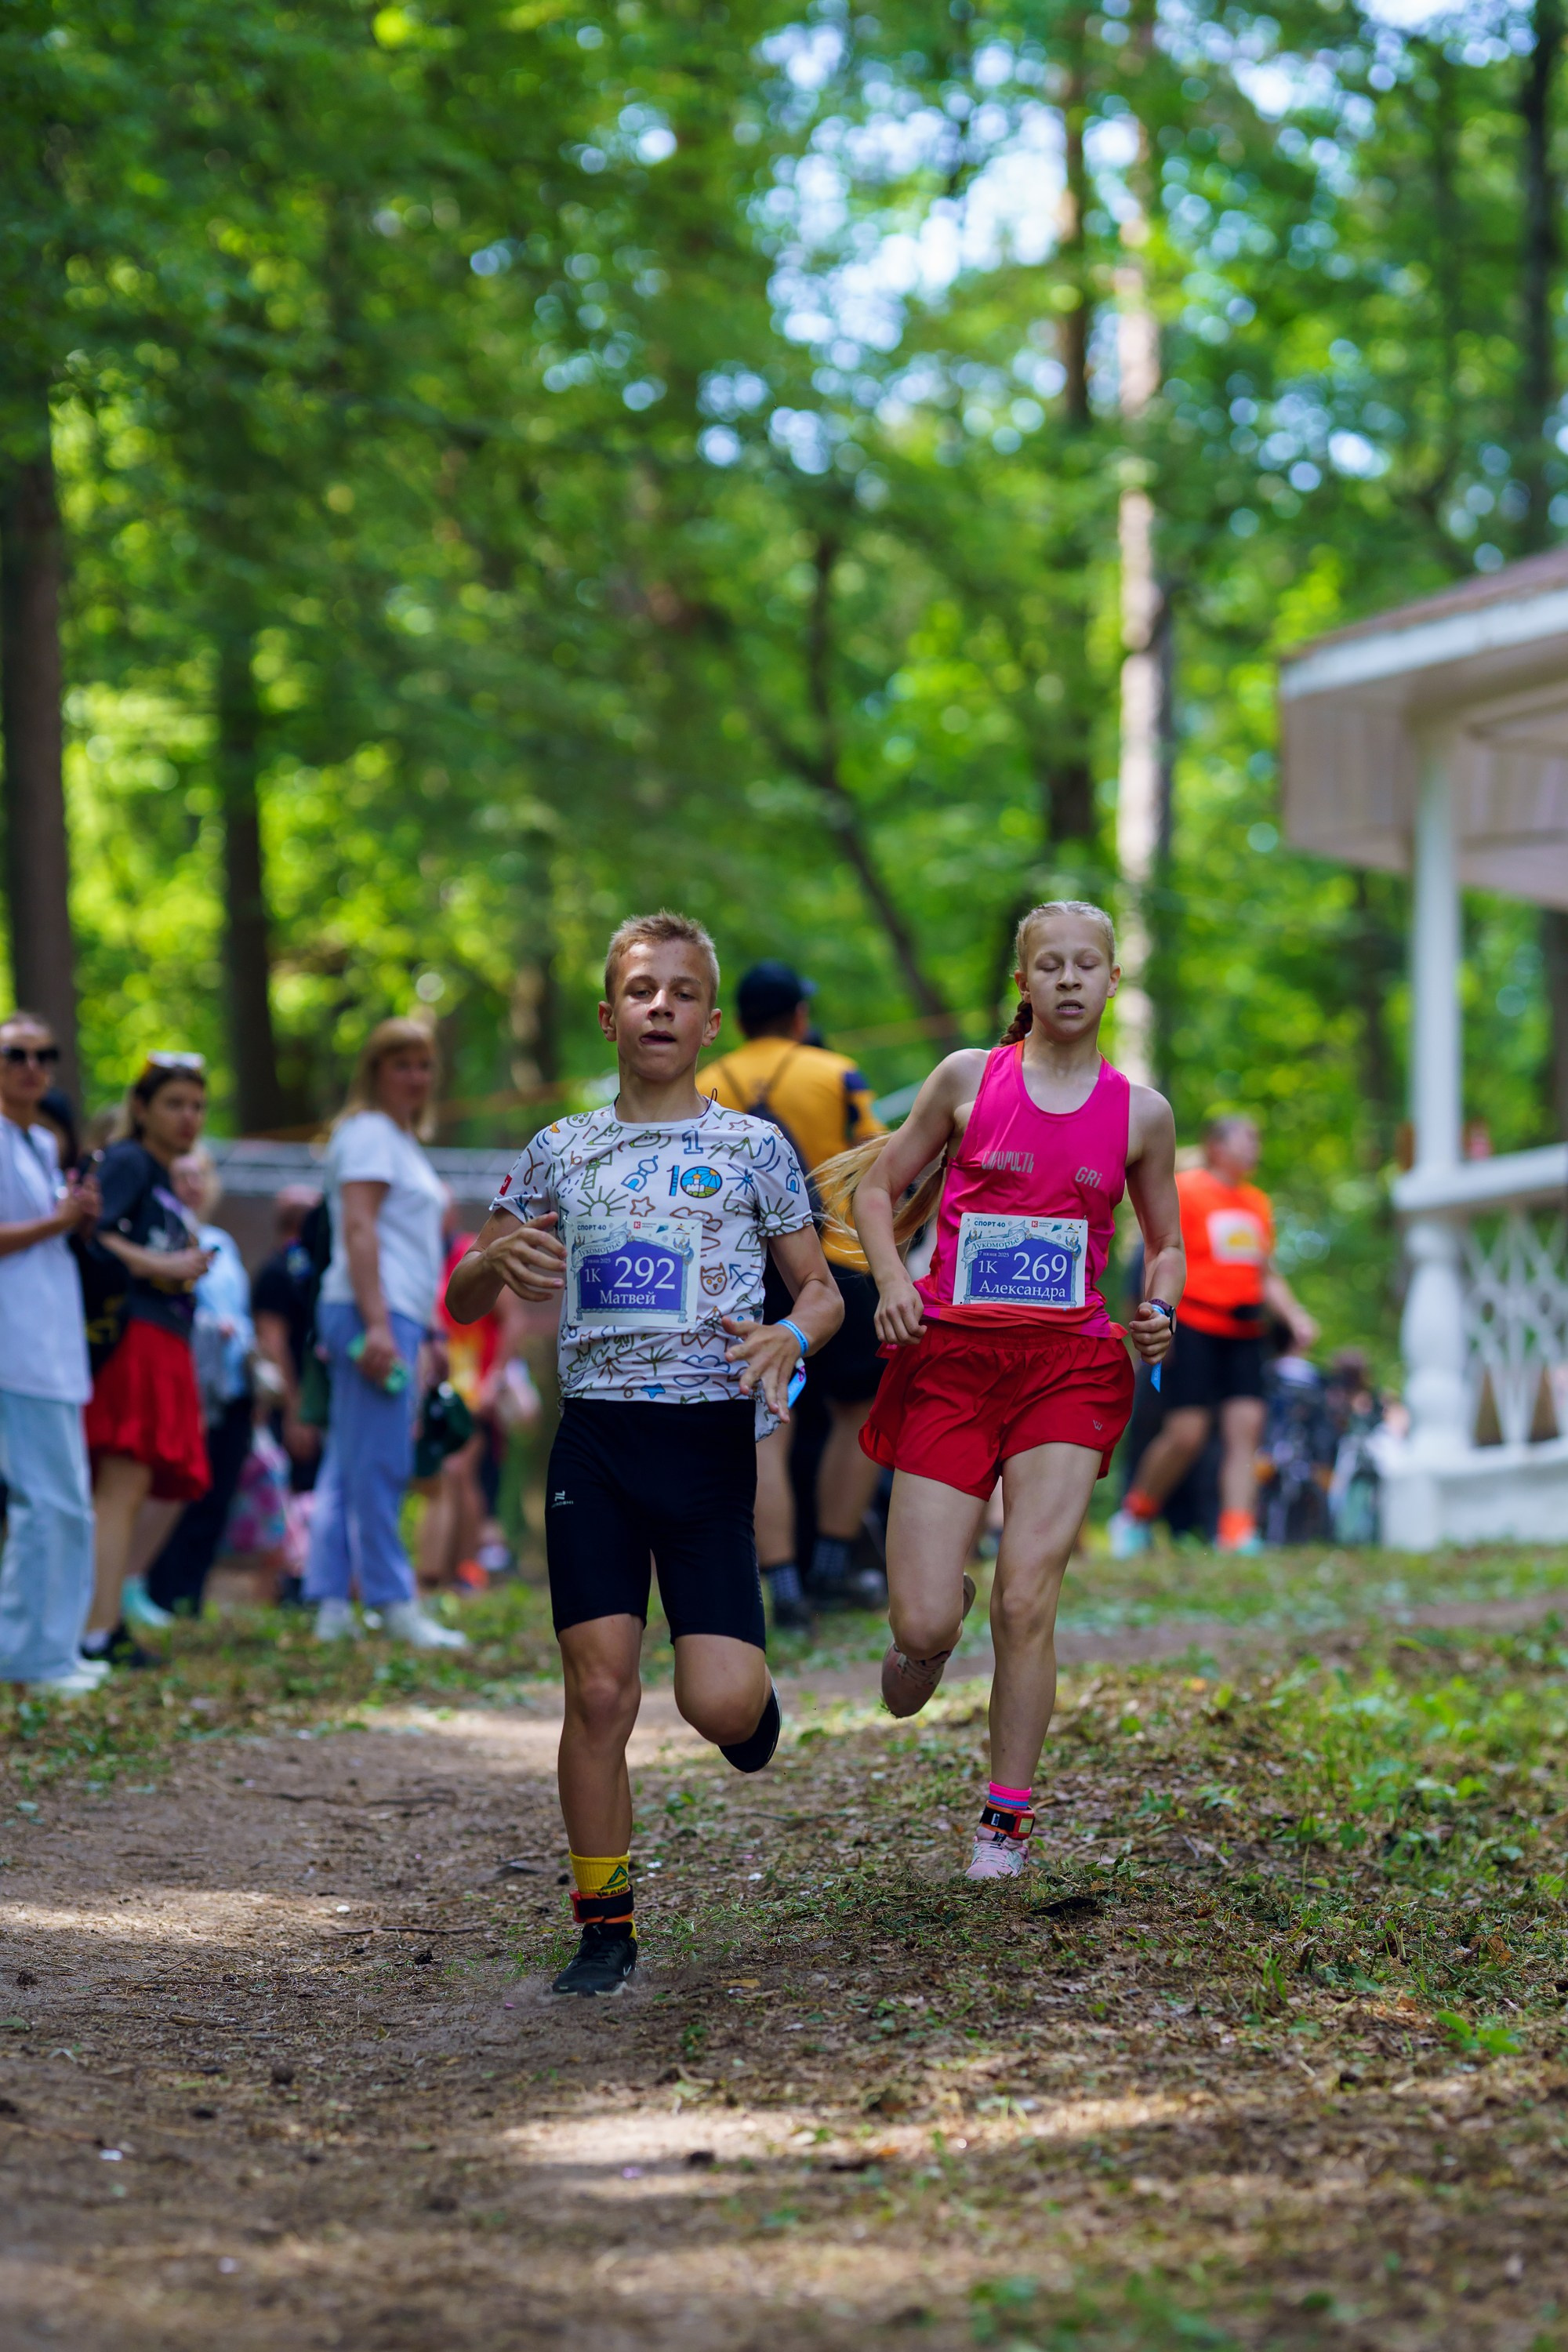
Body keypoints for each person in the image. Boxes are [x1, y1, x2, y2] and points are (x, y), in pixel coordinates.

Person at [446, 910, 844, 1997]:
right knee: (602, 1691)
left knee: (714, 1704)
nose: (659, 1005)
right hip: (599, 1441)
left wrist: (792, 1335)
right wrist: (496, 1259)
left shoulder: (754, 1147)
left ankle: (750, 1707)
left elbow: (821, 1289)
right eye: (640, 989)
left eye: (680, 991)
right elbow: (465, 1286)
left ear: (711, 1020)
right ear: (610, 1015)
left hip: (710, 1443)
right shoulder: (561, 1150)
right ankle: (604, 1926)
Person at [824, 901, 1182, 1881]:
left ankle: (1004, 1825)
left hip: (1065, 1370)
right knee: (921, 1628)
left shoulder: (1139, 1114)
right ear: (1022, 984)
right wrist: (893, 1283)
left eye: (1087, 966)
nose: (1068, 980)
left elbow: (1168, 1246)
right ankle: (929, 1629)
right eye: (1049, 966)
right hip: (949, 1363)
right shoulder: (966, 1081)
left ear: (1112, 982)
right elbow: (872, 1189)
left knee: (1027, 1602)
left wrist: (1158, 1311)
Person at [704, 959, 887, 1626]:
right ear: (799, 1016)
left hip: (744, 1275)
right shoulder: (835, 1072)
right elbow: (876, 1163)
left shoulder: (705, 1081)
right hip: (834, 1263)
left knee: (766, 1427)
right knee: (858, 1413)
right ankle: (834, 1564)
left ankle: (780, 1585)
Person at [303, 1017, 465, 1650]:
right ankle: (394, 1602)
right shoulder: (369, 1134)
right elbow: (360, 1230)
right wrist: (379, 1326)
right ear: (373, 1072)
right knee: (380, 1460)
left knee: (349, 1460)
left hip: (390, 1312)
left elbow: (407, 1246)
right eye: (401, 1064)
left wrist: (425, 1331)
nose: (416, 1076)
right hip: (370, 1311)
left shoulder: (398, 1139)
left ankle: (329, 1604)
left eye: (424, 1064)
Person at [1109, 1114, 1317, 1558]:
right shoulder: (1188, 1190)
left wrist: (1296, 1316)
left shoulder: (1257, 1204)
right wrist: (1158, 1315)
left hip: (1244, 1332)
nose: (1255, 1146)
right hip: (1194, 1327)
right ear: (1216, 1146)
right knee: (1187, 1433)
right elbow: (1159, 1250)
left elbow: (1265, 1274)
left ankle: (1238, 1530)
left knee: (1247, 1430)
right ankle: (1135, 1516)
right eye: (1247, 1136)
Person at [82, 1054, 214, 1667]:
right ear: (140, 1109)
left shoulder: (162, 1176)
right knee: (119, 1486)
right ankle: (96, 1630)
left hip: (161, 1337)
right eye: (173, 1104)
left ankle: (102, 1622)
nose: (187, 1118)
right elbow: (91, 1232)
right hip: (133, 1336)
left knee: (129, 1489)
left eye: (196, 1106)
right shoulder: (131, 1160)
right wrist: (164, 1266)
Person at [0, 1012, 103, 1694]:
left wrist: (74, 1219)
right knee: (45, 1503)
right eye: (16, 1055)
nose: (33, 1066)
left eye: (45, 1054)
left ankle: (56, 1649)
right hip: (16, 1343)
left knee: (69, 1504)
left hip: (54, 1342)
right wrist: (57, 1221)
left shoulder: (38, 1139)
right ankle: (28, 1655)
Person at [131, 1148, 256, 1624]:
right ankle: (149, 1590)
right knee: (168, 1488)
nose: (193, 1184)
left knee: (213, 1492)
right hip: (179, 1380)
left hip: (228, 1388)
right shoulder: (158, 1238)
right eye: (182, 1175)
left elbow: (239, 1315)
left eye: (200, 1174)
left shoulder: (223, 1243)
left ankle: (188, 1597)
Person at [422, 1196, 534, 1592]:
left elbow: (514, 1321)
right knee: (445, 1477)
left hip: (473, 1390)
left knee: (459, 1472)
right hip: (440, 1389)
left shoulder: (469, 1254)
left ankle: (462, 1569)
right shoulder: (422, 1256)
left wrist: (496, 1377)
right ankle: (444, 1570)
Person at [251, 1185, 324, 1493]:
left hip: (308, 1404)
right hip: (290, 1408)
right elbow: (272, 1344)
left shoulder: (304, 1269)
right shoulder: (276, 1272)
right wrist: (296, 1412)